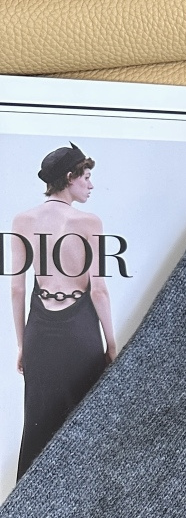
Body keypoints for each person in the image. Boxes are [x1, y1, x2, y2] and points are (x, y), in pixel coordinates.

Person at [9, 143, 116, 479]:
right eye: (86, 177)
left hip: (39, 331)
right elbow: (98, 290)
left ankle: (28, 503)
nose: (91, 185)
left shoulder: (22, 220)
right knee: (83, 420)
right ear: (70, 177)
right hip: (80, 331)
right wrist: (111, 344)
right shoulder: (89, 222)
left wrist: (22, 344)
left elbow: (17, 289)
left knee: (38, 423)